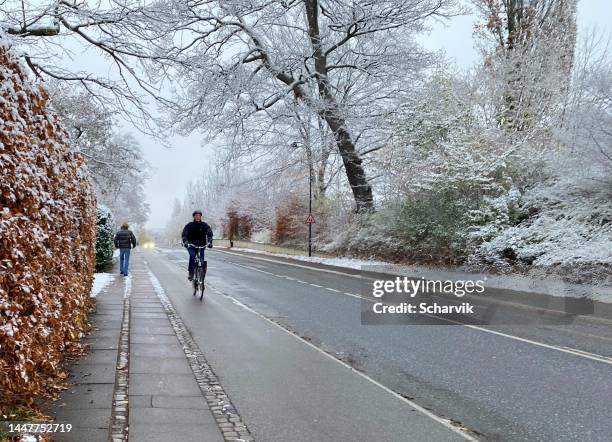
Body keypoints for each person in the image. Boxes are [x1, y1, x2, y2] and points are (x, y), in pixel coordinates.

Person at [181, 210, 213, 281]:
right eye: (196, 215)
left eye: (199, 215)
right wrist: (185, 241)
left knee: (201, 261)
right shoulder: (189, 225)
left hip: (201, 245)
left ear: (201, 216)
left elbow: (209, 233)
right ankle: (191, 272)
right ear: (194, 217)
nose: (198, 217)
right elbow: (184, 234)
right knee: (192, 255)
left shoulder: (204, 225)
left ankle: (202, 277)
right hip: (191, 245)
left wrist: (210, 242)